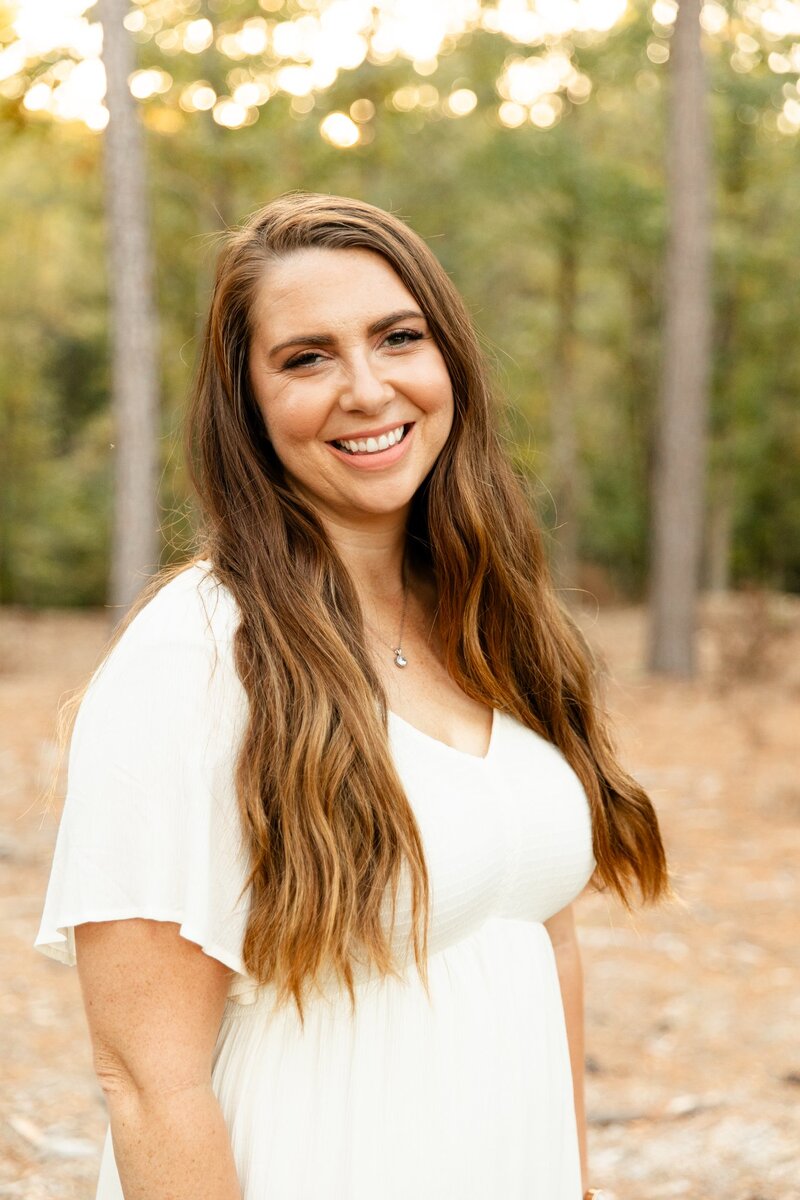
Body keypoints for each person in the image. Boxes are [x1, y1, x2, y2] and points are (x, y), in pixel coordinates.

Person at [35, 192, 669, 1200]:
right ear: (245, 404)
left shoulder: (490, 619)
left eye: (397, 338)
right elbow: (149, 1084)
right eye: (306, 357)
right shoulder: (197, 655)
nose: (367, 389)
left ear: (448, 359)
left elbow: (544, 943)